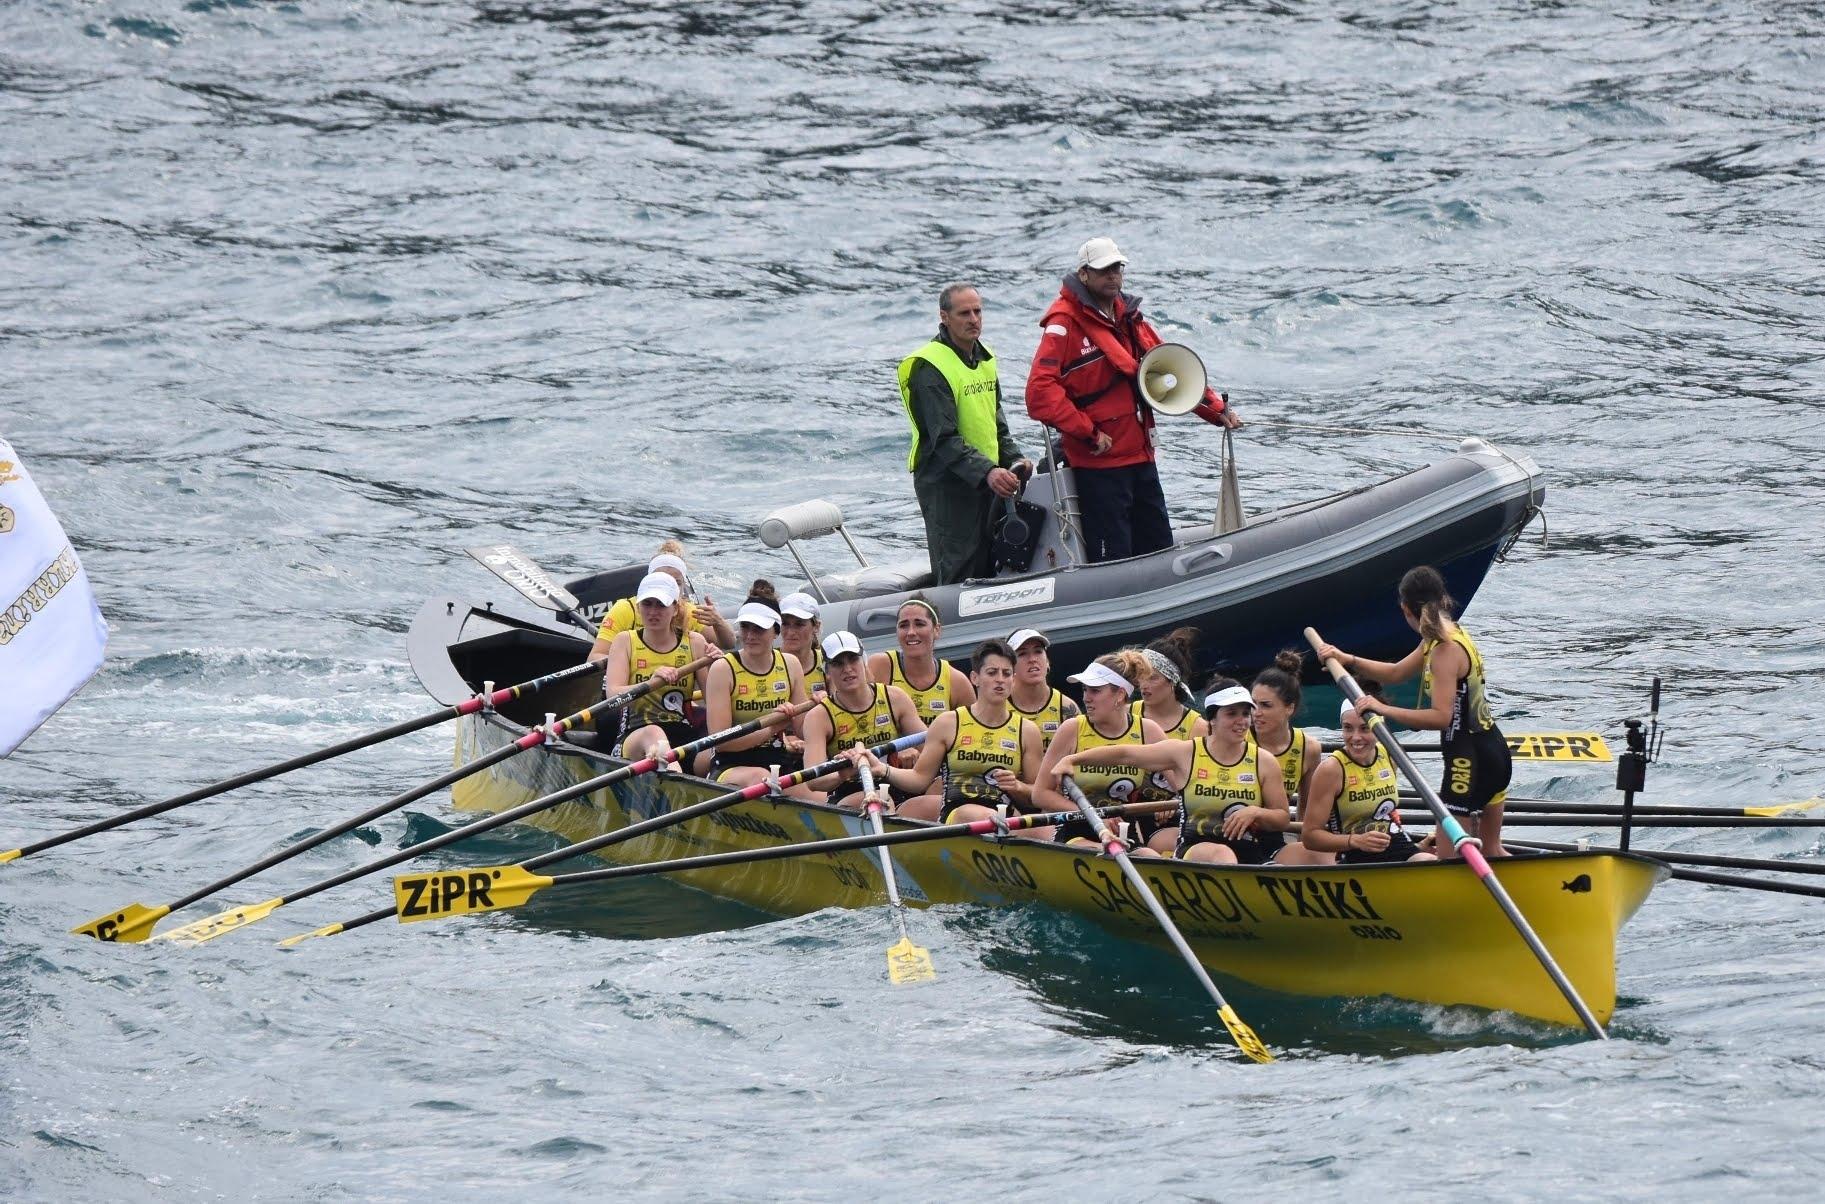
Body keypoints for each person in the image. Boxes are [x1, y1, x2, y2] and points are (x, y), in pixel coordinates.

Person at [1025, 237, 1242, 563]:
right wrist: (1088, 431)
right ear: (1083, 274)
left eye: (1117, 268)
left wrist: (1216, 410)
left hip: (1141, 458)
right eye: (1104, 270)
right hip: (1100, 467)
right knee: (1114, 556)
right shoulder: (1063, 324)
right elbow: (1040, 393)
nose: (1113, 275)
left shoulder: (1129, 317)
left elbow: (1171, 372)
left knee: (1158, 547)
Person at [1315, 565, 1514, 858]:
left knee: (1448, 861)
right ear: (1442, 599)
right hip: (1495, 750)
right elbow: (1396, 673)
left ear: (1405, 608)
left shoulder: (1444, 650)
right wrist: (1348, 659)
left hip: (1467, 761)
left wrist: (1383, 709)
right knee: (1492, 850)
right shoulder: (1448, 634)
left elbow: (1441, 717)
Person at [1064, 679, 1311, 865]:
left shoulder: (1263, 761)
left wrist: (1255, 812)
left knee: (1318, 854)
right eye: (1232, 714)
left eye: (1246, 713)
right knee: (1222, 854)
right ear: (1212, 719)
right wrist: (1072, 759)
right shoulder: (1185, 753)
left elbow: (1281, 818)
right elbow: (1125, 754)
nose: (1242, 721)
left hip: (1251, 850)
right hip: (1196, 848)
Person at [897, 283, 1033, 584]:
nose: (974, 319)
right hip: (947, 487)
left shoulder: (984, 358)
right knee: (959, 569)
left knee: (990, 562)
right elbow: (943, 439)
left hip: (985, 481)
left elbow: (996, 422)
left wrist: (1014, 458)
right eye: (964, 313)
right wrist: (988, 472)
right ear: (944, 317)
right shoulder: (930, 367)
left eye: (978, 311)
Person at [860, 640, 1044, 825]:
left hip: (1004, 820)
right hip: (958, 815)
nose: (1000, 679)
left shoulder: (1027, 731)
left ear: (1013, 680)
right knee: (975, 815)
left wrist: (1018, 787)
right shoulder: (948, 723)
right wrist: (882, 769)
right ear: (975, 678)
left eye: (1006, 674)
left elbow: (1036, 796)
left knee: (1045, 833)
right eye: (992, 672)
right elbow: (919, 779)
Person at [1033, 652, 1167, 852]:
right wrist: (1094, 814)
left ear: (1120, 695)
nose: (1086, 698)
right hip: (1076, 832)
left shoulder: (1148, 731)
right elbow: (1040, 794)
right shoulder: (1072, 729)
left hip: (1123, 831)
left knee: (1148, 855)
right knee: (1101, 851)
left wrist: (1170, 800)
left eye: (1095, 691)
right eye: (1085, 690)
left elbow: (1183, 783)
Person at [1300, 699, 1437, 864]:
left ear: (1379, 728)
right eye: (1348, 728)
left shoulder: (1389, 753)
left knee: (1433, 858)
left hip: (1400, 847)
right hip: (1355, 857)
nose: (1356, 737)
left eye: (1365, 728)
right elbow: (1309, 836)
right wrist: (1355, 840)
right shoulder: (1331, 769)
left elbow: (1389, 814)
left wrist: (1418, 846)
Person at [699, 593, 811, 793]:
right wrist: (771, 727)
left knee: (821, 797)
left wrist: (820, 709)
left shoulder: (790, 665)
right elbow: (721, 742)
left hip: (777, 761)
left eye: (758, 629)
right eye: (745, 627)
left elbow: (803, 730)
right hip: (730, 765)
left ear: (776, 632)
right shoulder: (723, 669)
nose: (750, 636)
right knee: (760, 777)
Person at [801, 631, 924, 809]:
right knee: (884, 801)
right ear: (827, 671)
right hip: (850, 792)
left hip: (897, 781)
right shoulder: (819, 716)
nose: (847, 668)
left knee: (936, 789)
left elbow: (931, 750)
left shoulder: (894, 697)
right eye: (838, 663)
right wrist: (841, 774)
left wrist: (912, 749)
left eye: (853, 659)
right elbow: (813, 780)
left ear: (864, 661)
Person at [601, 572, 712, 763]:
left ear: (675, 608)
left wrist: (721, 670)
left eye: (661, 605)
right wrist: (651, 683)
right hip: (635, 736)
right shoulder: (625, 641)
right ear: (638, 607)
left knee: (722, 748)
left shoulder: (694, 642)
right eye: (647, 604)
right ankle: (674, 785)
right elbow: (613, 696)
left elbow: (713, 700)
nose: (653, 612)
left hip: (683, 738)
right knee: (654, 733)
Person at [588, 541, 734, 658]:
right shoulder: (626, 610)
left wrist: (718, 622)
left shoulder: (690, 612)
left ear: (684, 586)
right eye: (662, 580)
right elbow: (596, 656)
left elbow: (728, 643)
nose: (669, 587)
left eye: (676, 583)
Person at [866, 599, 975, 732]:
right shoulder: (879, 666)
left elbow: (970, 738)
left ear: (937, 630)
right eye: (903, 625)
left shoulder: (957, 682)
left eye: (919, 624)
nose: (911, 632)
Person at [1250, 650, 1322, 818]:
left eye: (1266, 705)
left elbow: (1305, 810)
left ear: (1289, 708)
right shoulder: (1237, 739)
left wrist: (1303, 844)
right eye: (1253, 704)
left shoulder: (1308, 748)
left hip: (1274, 831)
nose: (1256, 712)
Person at [1134, 627, 1206, 742]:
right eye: (1141, 675)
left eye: (1153, 678)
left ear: (1172, 680)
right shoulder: (1125, 713)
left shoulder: (1198, 728)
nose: (1143, 684)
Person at [1007, 628, 1080, 741]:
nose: (1032, 659)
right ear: (1009, 666)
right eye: (1022, 653)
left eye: (1038, 651)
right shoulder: (998, 706)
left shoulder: (1065, 707)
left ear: (1047, 662)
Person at [779, 592, 826, 695]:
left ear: (816, 627)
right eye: (785, 624)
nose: (791, 632)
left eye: (799, 624)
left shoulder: (827, 663)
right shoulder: (766, 662)